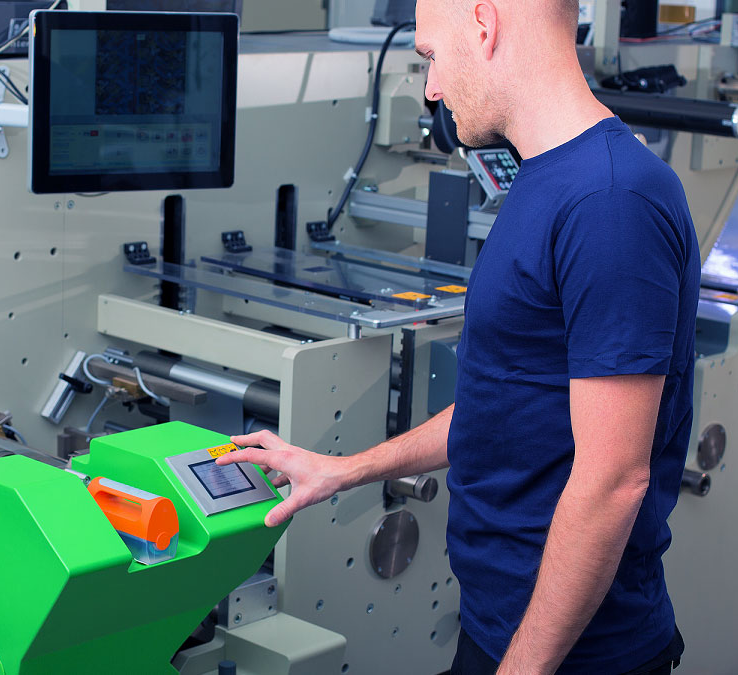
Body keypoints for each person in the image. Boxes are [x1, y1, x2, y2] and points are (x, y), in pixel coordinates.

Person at [215, 0, 700, 672]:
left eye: (430, 57)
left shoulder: (609, 201)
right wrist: (344, 470)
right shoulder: (548, 179)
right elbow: (506, 403)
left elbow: (612, 479)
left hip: (575, 653)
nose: (431, 87)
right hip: (506, 626)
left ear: (484, 23)